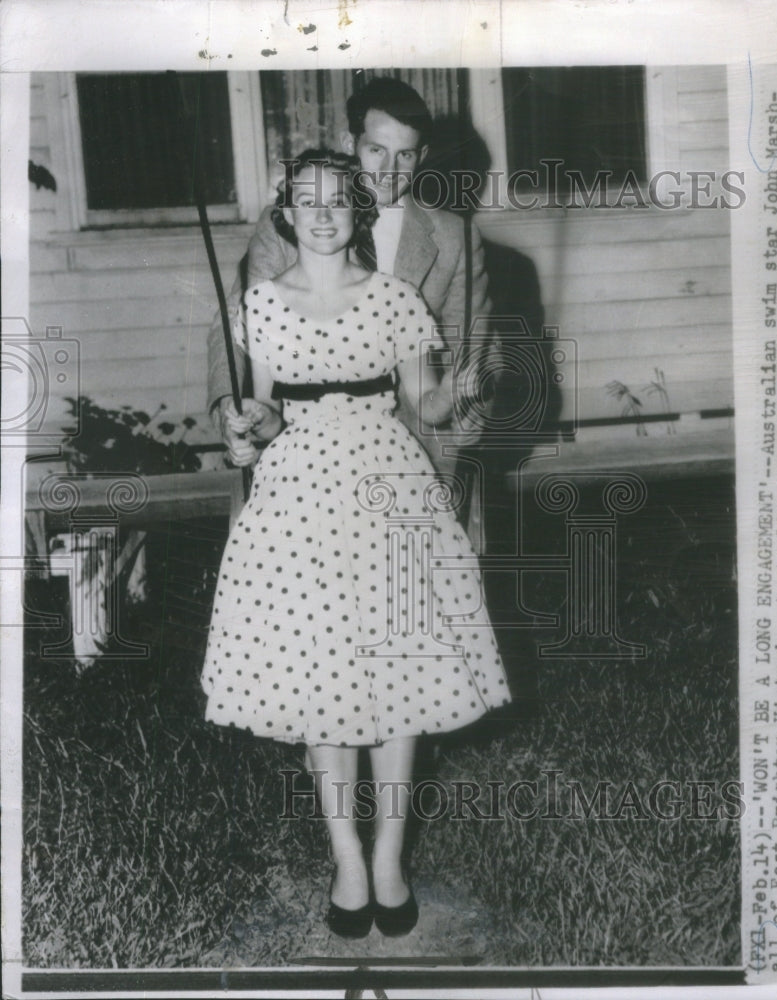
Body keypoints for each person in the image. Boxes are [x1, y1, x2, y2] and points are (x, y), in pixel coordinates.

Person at [200, 150, 510, 939]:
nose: (324, 213)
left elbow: (425, 406)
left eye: (339, 200)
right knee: (321, 680)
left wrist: (460, 389)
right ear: (286, 213)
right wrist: (244, 431)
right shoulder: (260, 303)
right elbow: (264, 413)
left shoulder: (395, 299)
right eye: (307, 200)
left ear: (358, 212)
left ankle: (389, 858)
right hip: (298, 498)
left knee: (400, 676)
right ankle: (344, 858)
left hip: (388, 487)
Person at [207, 77, 494, 517]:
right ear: (350, 142)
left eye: (404, 155)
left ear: (421, 157)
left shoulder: (455, 236)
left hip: (416, 465)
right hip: (302, 469)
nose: (388, 171)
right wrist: (232, 409)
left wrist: (471, 405)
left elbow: (472, 346)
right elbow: (237, 328)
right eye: (376, 150)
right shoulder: (293, 220)